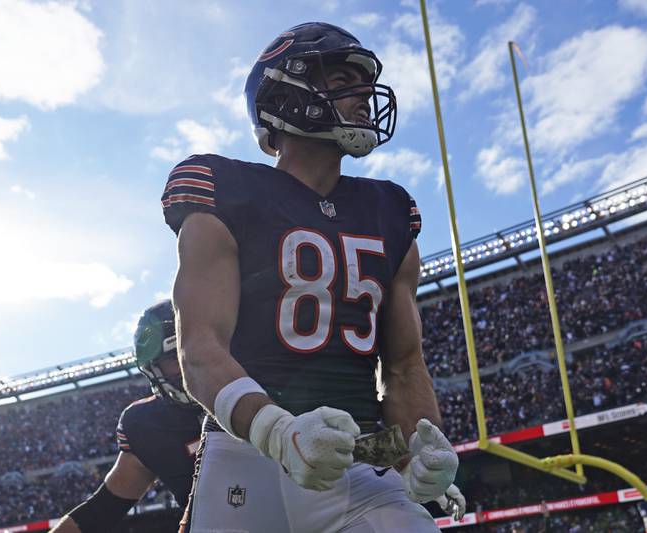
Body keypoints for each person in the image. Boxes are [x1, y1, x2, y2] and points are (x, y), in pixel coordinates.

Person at [164, 21, 461, 532]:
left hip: (356, 461)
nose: (363, 96)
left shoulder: (391, 211)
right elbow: (201, 348)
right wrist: (278, 431)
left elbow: (405, 364)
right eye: (342, 79)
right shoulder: (222, 185)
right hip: (249, 453)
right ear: (284, 91)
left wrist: (417, 449)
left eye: (363, 84)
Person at [50, 300, 202, 533]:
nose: (186, 362)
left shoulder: (262, 385)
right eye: (174, 358)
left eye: (191, 347)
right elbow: (103, 509)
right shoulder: (148, 425)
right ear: (154, 370)